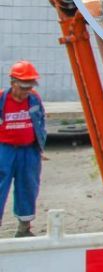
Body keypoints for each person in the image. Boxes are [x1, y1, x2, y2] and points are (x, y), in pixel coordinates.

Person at [0, 61, 46, 238]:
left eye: (30, 86)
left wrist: (40, 147)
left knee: (28, 186)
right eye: (23, 87)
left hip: (29, 151)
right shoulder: (2, 99)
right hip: (4, 150)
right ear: (13, 83)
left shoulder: (34, 98)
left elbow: (41, 121)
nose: (27, 91)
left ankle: (24, 229)